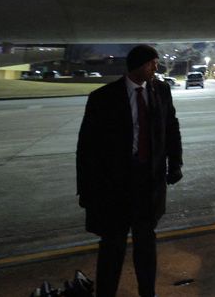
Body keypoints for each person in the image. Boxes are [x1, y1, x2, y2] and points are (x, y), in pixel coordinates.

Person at [76, 45, 183, 297]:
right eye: (153, 63)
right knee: (112, 245)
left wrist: (175, 163)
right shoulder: (103, 97)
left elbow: (171, 129)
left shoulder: (161, 91)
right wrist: (86, 189)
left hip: (148, 182)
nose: (156, 68)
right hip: (114, 185)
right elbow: (86, 147)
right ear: (139, 66)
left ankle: (148, 292)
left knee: (146, 243)